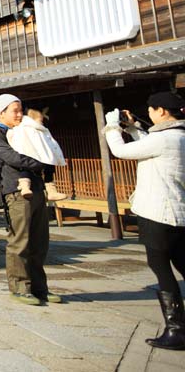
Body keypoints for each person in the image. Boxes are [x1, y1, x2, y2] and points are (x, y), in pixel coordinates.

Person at [104, 91, 185, 351]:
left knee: (161, 267)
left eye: (151, 110)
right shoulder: (178, 136)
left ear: (161, 111)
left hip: (158, 212)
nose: (149, 114)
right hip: (178, 213)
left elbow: (120, 151)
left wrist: (111, 127)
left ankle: (176, 330)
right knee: (182, 262)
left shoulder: (163, 139)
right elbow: (149, 145)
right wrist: (135, 128)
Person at [0, 93, 54, 306]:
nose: (19, 114)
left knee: (40, 242)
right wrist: (40, 162)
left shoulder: (23, 130)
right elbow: (10, 157)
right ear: (1, 113)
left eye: (21, 109)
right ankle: (20, 287)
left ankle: (40, 288)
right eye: (15, 110)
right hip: (15, 190)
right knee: (20, 241)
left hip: (36, 188)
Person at [6, 107, 68, 201]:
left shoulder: (35, 129)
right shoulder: (25, 128)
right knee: (27, 168)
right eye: (40, 121)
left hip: (37, 155)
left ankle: (50, 191)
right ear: (33, 120)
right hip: (27, 155)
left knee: (48, 166)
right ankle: (26, 187)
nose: (41, 123)